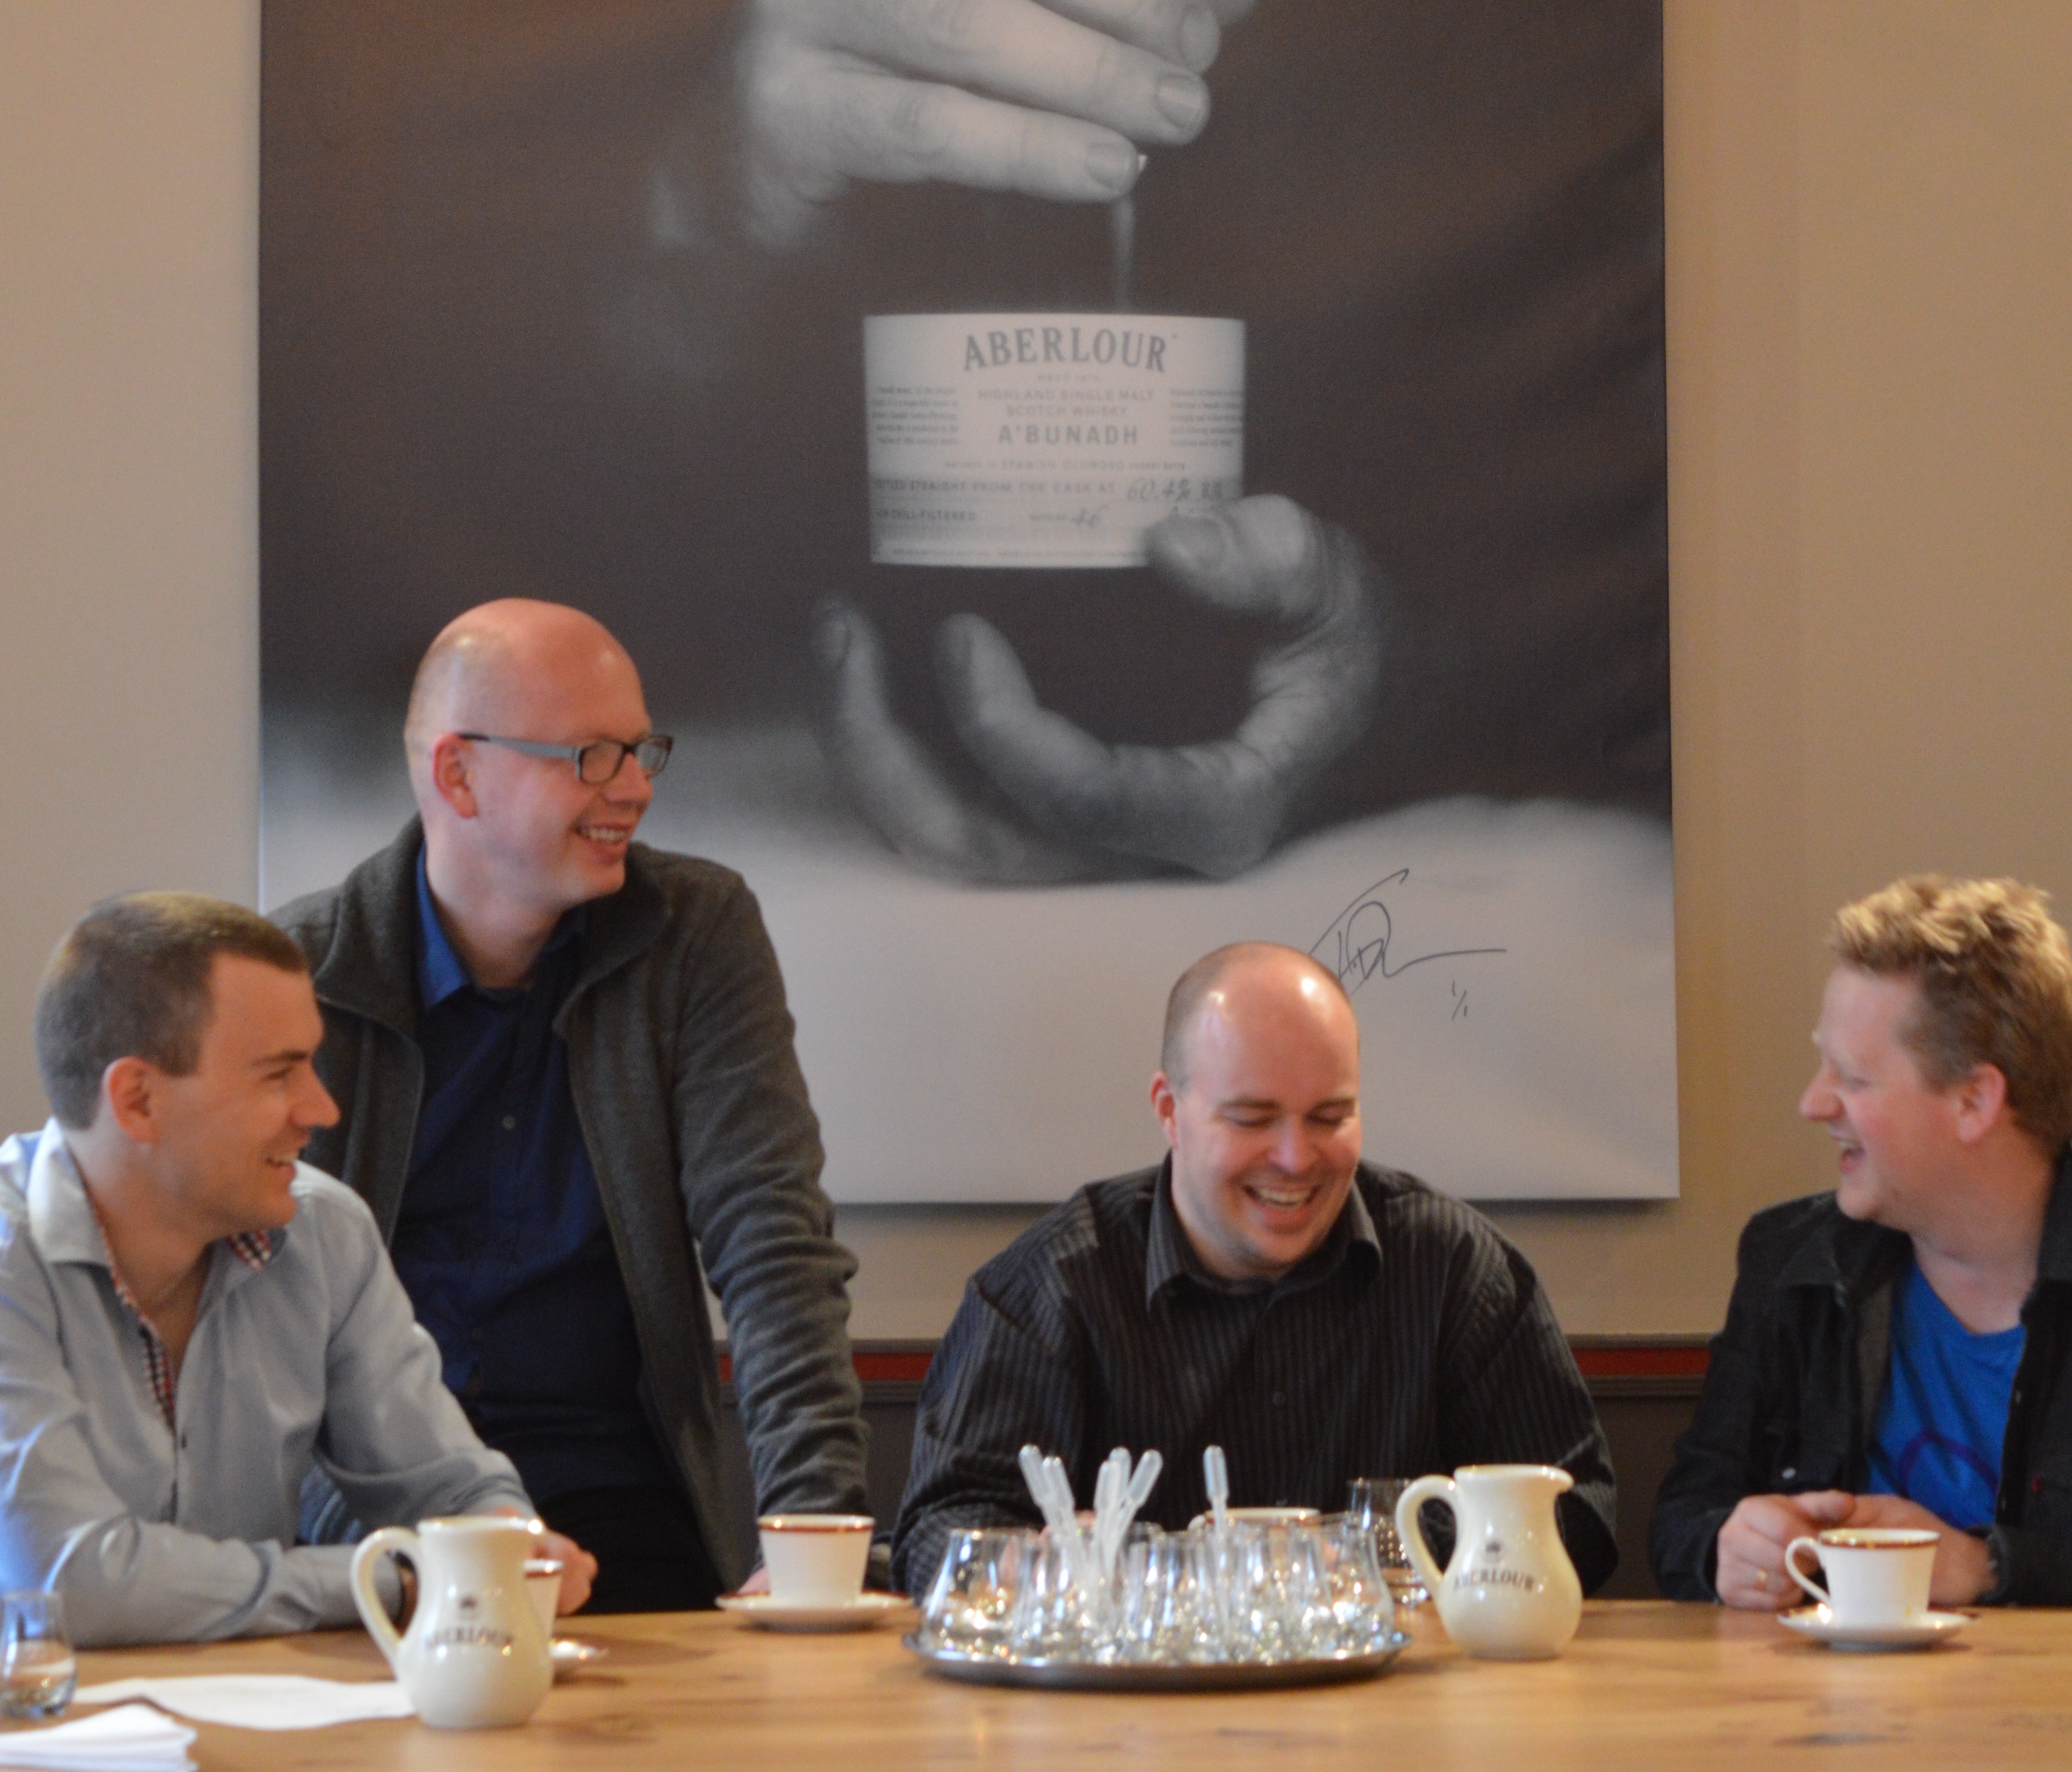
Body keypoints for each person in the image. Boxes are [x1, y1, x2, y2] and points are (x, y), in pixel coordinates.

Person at [275, 597, 869, 1612]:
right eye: (592, 756)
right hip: (374, 1519)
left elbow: (771, 1241)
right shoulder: (301, 971)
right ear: (458, 774)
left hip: (618, 1496)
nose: (634, 788)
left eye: (640, 750)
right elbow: (270, 1331)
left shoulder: (696, 933)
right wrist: (404, 1558)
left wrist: (813, 1533)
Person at [890, 939, 1617, 1598]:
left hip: (1400, 1696)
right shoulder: (1050, 1289)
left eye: (1329, 1117)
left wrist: (1362, 1555)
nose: (1296, 1159)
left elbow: (1582, 1514)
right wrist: (1028, 1564)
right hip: (1128, 1699)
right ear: (1170, 1110)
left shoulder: (1453, 1268)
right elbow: (933, 1538)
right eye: (1252, 1120)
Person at [0, 894, 592, 1644]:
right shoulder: (11, 1258)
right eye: (279, 1075)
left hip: (264, 1709)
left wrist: (506, 1538)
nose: (321, 1109)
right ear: (138, 1101)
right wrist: (393, 1581)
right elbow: (67, 1585)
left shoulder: (325, 1233)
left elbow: (444, 1485)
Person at [1650, 876, 2072, 1610]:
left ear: (1974, 1100)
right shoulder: (1790, 1262)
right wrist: (1726, 1547)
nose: (1812, 1104)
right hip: (1815, 1686)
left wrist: (1987, 1568)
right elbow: (1685, 1516)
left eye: (1852, 1077)